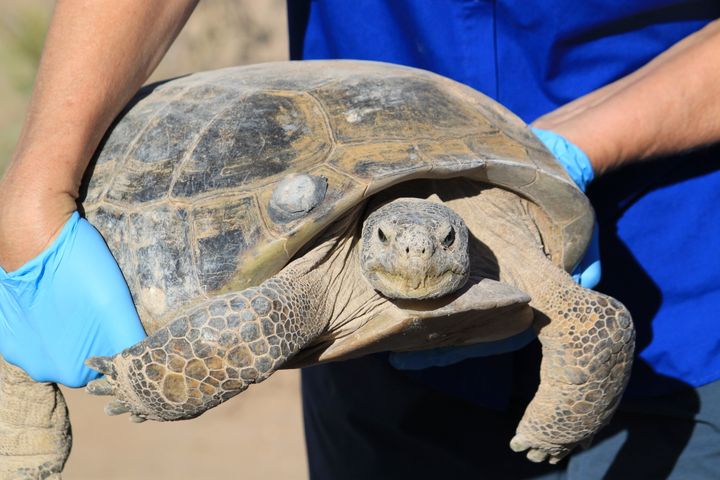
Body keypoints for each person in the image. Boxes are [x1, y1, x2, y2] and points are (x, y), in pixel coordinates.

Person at [0, 1, 718, 478]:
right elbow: (263, 315)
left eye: (436, 242)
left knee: (599, 330)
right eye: (391, 241)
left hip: (674, 272)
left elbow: (597, 322)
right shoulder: (314, 285)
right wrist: (34, 188)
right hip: (369, 368)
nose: (413, 253)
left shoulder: (504, 237)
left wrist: (559, 153)